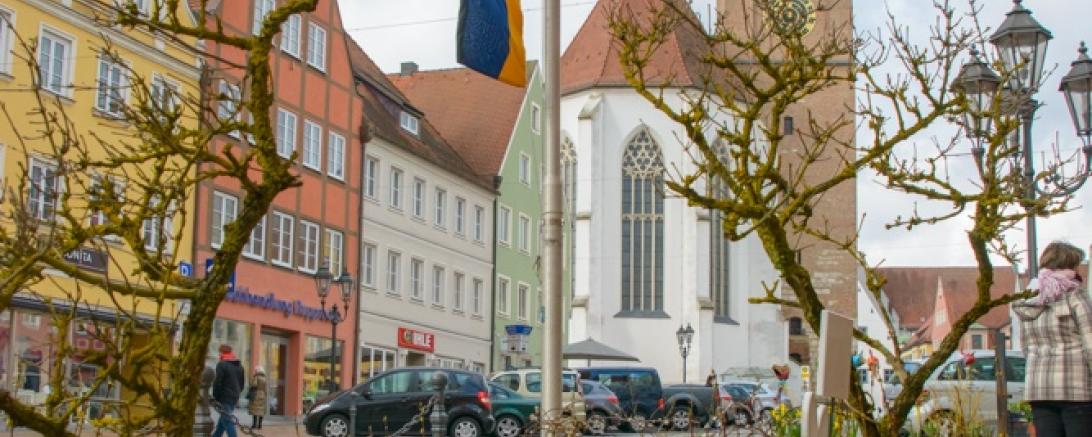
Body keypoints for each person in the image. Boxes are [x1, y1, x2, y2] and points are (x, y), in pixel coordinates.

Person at [1016, 242, 1092, 436]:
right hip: (1076, 388)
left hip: (1039, 388)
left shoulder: (1029, 299)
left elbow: (1025, 347)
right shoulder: (1075, 296)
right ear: (1069, 266)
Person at [211, 344, 245, 437]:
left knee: (227, 419)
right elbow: (242, 384)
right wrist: (237, 393)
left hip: (225, 396)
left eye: (219, 353)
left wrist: (216, 397)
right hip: (234, 396)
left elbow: (217, 382)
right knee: (224, 419)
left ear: (221, 352)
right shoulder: (239, 365)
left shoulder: (222, 364)